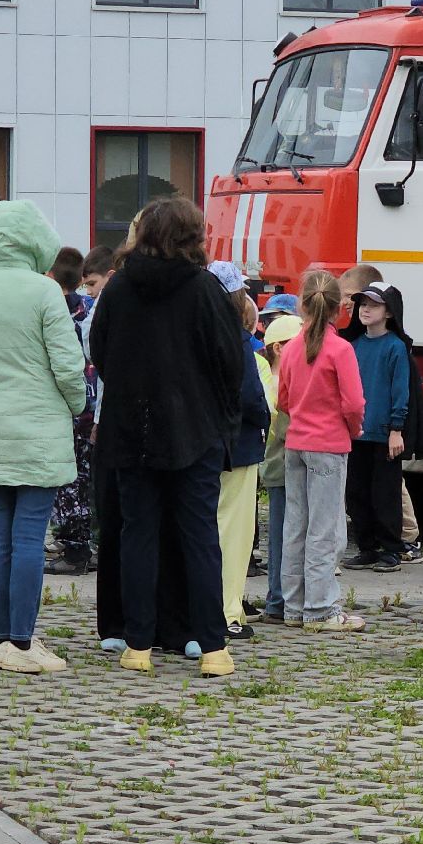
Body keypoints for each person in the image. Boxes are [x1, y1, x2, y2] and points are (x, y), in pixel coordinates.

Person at [89, 197, 246, 676]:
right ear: (190, 237)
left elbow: (100, 350)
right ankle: (212, 646)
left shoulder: (118, 288)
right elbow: (231, 361)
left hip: (131, 429)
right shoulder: (204, 289)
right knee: (199, 536)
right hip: (194, 429)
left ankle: (138, 644)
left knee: (137, 533)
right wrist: (217, 412)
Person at [0, 202, 86, 674]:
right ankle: (23, 642)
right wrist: (76, 405)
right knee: (29, 535)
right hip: (39, 431)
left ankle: (1, 636)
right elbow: (67, 365)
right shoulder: (45, 291)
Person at [276, 270, 368, 631]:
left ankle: (294, 605)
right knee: (324, 529)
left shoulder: (291, 348)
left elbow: (283, 400)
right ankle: (321, 608)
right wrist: (353, 429)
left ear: (302, 305)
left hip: (296, 442)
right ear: (338, 308)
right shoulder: (340, 349)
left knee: (295, 527)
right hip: (328, 444)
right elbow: (354, 403)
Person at [340, 282, 412, 572]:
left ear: (390, 312)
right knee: (357, 492)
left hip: (383, 433)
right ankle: (367, 547)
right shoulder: (353, 346)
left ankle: (391, 548)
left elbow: (400, 390)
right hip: (356, 432)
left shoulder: (395, 347)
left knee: (386, 493)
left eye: (374, 305)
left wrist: (396, 428)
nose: (365, 309)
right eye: (363, 304)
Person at [219, 293, 271, 641]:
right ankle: (228, 610)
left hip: (203, 447)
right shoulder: (238, 344)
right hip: (239, 447)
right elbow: (252, 398)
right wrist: (264, 418)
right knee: (234, 535)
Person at [46, 248, 95, 575]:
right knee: (84, 479)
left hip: (66, 407)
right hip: (91, 404)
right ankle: (81, 542)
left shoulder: (51, 311)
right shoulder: (88, 308)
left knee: (67, 482)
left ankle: (75, 549)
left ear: (50, 276)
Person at [259, 313, 302, 622]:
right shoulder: (277, 383)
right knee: (283, 535)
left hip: (277, 468)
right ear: (278, 348)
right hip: (282, 468)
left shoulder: (269, 378)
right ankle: (277, 598)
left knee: (283, 534)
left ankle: (278, 598)